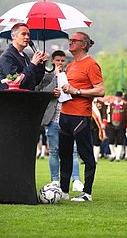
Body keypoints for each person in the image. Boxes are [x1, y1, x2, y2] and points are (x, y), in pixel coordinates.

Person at [59, 32, 105, 202]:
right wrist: (60, 92)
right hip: (64, 115)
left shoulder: (91, 65)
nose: (70, 43)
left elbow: (101, 90)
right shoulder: (70, 66)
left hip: (80, 116)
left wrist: (77, 91)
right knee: (64, 155)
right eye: (70, 40)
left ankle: (87, 193)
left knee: (86, 156)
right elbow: (68, 88)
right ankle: (63, 190)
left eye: (74, 40)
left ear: (84, 44)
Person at [35, 50, 84, 192]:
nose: (60, 63)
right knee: (54, 151)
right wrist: (53, 88)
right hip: (52, 118)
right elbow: (41, 92)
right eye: (57, 60)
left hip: (68, 117)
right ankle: (55, 180)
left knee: (73, 151)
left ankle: (76, 180)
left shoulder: (70, 77)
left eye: (62, 61)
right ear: (52, 61)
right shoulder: (46, 76)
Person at [0, 23, 47, 90]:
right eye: (23, 34)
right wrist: (33, 64)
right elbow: (16, 81)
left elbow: (34, 82)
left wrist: (40, 65)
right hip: (10, 98)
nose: (27, 37)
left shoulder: (25, 56)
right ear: (13, 36)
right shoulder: (7, 57)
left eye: (28, 34)